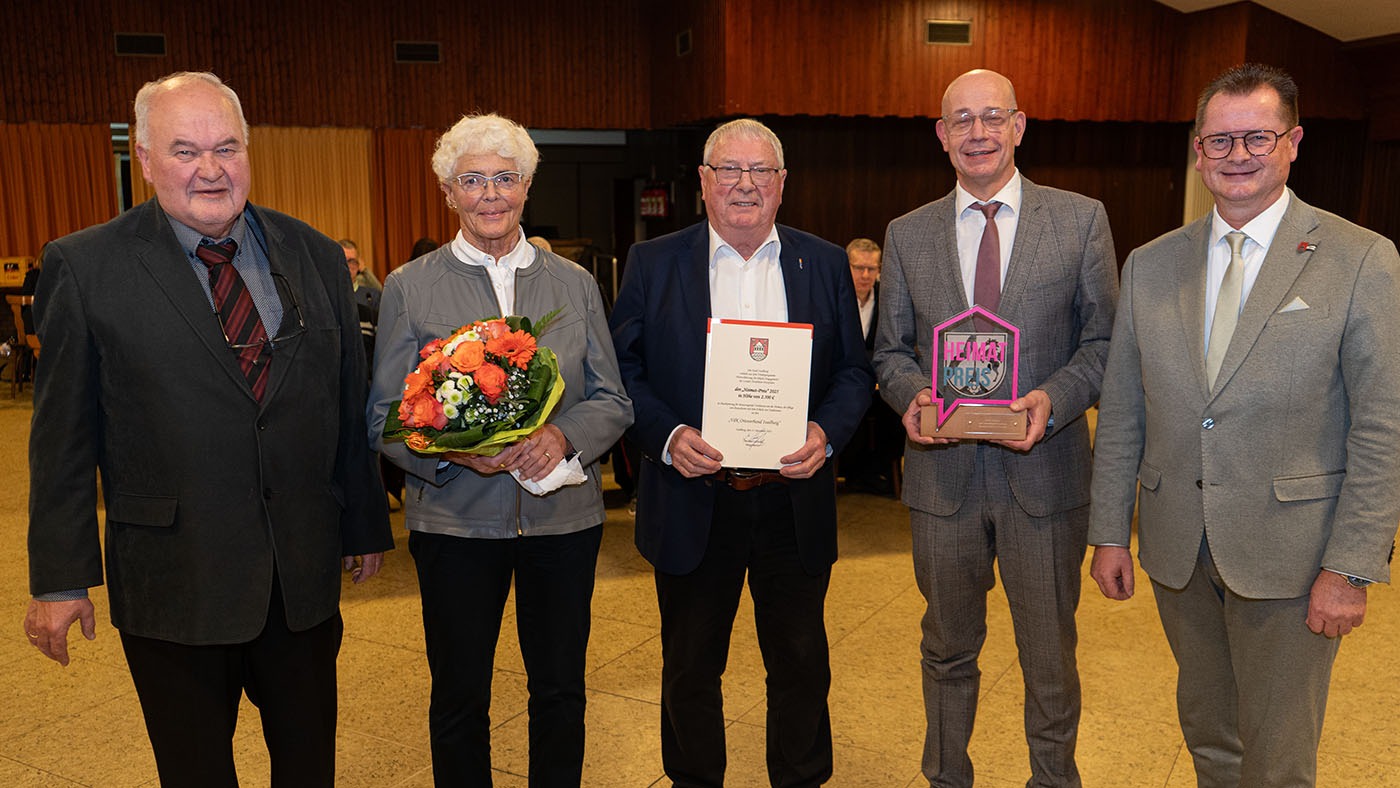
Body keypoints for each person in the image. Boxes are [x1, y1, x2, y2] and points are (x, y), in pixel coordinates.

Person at [22, 71, 393, 787]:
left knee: (310, 767)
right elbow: (62, 436)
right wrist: (62, 579)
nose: (211, 169)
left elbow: (341, 403)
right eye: (186, 150)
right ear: (147, 160)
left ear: (249, 152)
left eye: (227, 147)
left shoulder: (314, 253)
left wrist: (365, 527)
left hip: (301, 577)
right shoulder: (85, 265)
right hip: (174, 584)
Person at [1088, 63, 1400, 787]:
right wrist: (1109, 531)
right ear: (1198, 151)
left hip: (1294, 560)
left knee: (1278, 754)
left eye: (1256, 136)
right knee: (1210, 734)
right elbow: (1127, 410)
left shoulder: (1361, 259)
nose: (1238, 155)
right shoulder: (1150, 264)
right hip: (1178, 548)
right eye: (1219, 140)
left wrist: (1352, 566)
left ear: (1293, 142)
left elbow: (1382, 429)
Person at [367, 112, 632, 785]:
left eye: (505, 178)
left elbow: (613, 399)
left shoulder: (573, 284)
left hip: (562, 524)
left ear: (526, 187)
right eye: (473, 180)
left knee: (560, 693)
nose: (491, 193)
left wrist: (563, 435)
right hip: (455, 524)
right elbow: (384, 416)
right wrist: (459, 455)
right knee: (460, 698)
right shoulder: (410, 285)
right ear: (449, 193)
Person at [872, 69, 1118, 787]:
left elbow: (1104, 345)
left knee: (1048, 657)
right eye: (961, 121)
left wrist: (1051, 398)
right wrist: (915, 396)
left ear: (1018, 126)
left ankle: (1053, 779)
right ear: (941, 136)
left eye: (992, 118)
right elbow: (887, 350)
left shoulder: (1080, 219)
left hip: (1045, 479)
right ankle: (947, 778)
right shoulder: (907, 234)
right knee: (946, 651)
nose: (977, 133)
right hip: (942, 483)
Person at [610, 118, 873, 786]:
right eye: (729, 169)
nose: (745, 184)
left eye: (761, 172)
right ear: (703, 182)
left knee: (801, 663)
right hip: (694, 499)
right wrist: (668, 437)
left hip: (793, 500)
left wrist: (825, 432)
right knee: (691, 668)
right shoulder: (654, 262)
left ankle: (801, 777)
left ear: (783, 185)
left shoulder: (823, 262)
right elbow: (621, 373)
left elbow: (851, 372)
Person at [837, 237, 901, 494]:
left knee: (896, 409)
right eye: (858, 268)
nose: (865, 275)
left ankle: (878, 471)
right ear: (846, 267)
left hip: (879, 383)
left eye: (871, 269)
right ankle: (849, 471)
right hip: (843, 381)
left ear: (879, 270)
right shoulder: (835, 296)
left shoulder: (888, 299)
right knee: (848, 407)